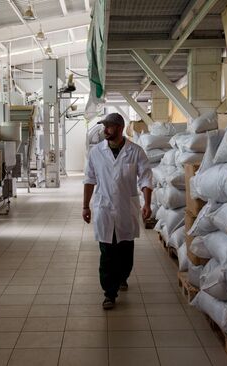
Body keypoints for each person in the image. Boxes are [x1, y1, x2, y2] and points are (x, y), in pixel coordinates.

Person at [82, 113, 153, 309]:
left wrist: (147, 203)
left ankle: (123, 276)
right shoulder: (96, 152)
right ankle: (109, 293)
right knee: (107, 252)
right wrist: (85, 206)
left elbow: (146, 178)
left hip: (125, 208)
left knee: (125, 250)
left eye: (109, 127)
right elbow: (89, 180)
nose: (105, 130)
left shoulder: (136, 151)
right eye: (104, 126)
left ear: (120, 128)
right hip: (104, 208)